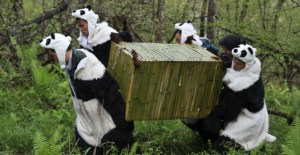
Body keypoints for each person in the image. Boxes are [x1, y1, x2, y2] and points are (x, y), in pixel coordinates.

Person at [39, 33, 138, 155]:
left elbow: (113, 98)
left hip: (106, 126)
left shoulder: (91, 70)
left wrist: (124, 126)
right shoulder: (71, 64)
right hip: (86, 126)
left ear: (59, 50)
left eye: (53, 54)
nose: (52, 57)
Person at [203, 43, 276, 154]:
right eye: (234, 60)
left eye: (238, 64)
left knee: (226, 144)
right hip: (255, 110)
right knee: (251, 143)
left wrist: (214, 118)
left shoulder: (243, 85)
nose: (234, 65)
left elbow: (229, 112)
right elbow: (234, 73)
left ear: (246, 64)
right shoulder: (253, 68)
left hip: (250, 119)